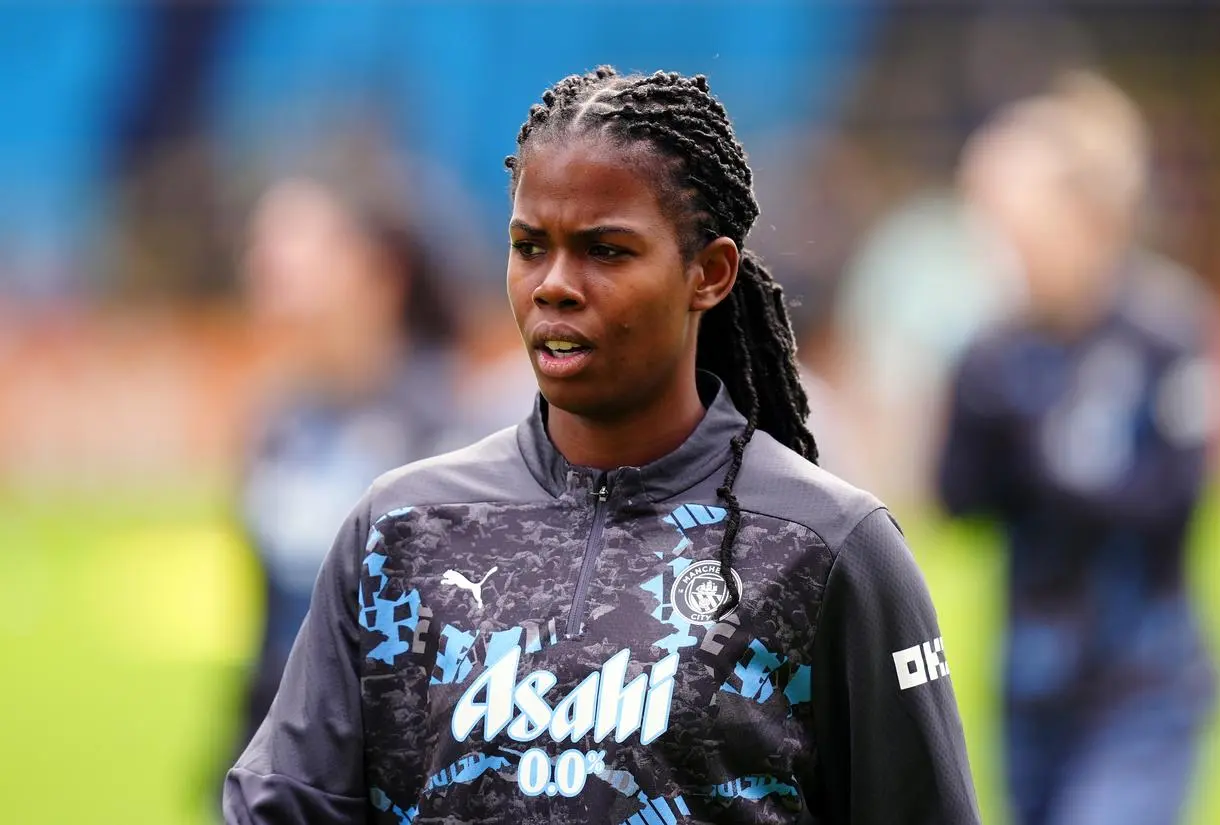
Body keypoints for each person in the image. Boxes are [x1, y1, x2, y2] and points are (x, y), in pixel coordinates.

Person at [225, 66, 979, 825]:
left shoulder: (830, 548)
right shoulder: (399, 530)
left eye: (606, 250)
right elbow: (285, 804)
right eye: (529, 247)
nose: (555, 284)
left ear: (708, 273)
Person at [938, 72, 1220, 825]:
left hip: (1140, 674)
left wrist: (1054, 459)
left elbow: (1174, 503)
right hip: (1032, 672)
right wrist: (986, 415)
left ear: (1087, 220)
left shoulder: (1165, 333)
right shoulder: (993, 352)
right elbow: (959, 499)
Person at [232, 172, 465, 762]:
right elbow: (268, 628)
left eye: (295, 244)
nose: (266, 263)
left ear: (378, 271)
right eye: (262, 244)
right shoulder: (276, 424)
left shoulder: (446, 429)